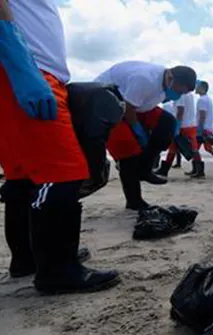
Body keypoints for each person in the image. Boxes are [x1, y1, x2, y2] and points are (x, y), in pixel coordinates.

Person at [0, 0, 120, 293]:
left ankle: (28, 259)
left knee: (22, 175)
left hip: (19, 73)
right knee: (64, 173)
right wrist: (19, 62)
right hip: (26, 71)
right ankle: (57, 270)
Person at [94, 61, 196, 210]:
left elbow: (140, 105)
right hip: (106, 105)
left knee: (167, 122)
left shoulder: (165, 84)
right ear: (170, 77)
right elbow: (128, 108)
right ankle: (134, 201)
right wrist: (138, 130)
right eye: (179, 91)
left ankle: (145, 169)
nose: (178, 95)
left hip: (130, 104)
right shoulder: (145, 79)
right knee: (128, 150)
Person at [156, 91, 199, 177]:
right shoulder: (189, 94)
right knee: (192, 148)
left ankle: (164, 170)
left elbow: (180, 111)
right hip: (191, 125)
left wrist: (177, 126)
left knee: (173, 147)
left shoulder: (181, 95)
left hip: (183, 126)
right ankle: (198, 170)